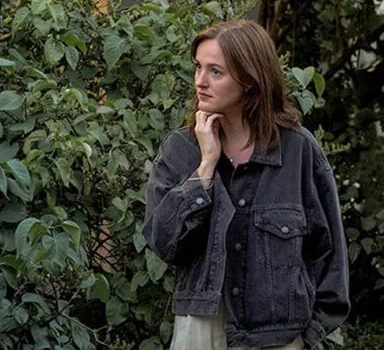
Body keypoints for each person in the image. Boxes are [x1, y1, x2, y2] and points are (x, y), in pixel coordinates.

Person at [142, 20, 349, 349]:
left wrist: (307, 337)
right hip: (200, 332)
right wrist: (206, 167)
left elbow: (329, 253)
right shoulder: (180, 150)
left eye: (215, 72)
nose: (200, 81)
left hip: (279, 337)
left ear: (250, 80)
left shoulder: (297, 151)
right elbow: (163, 243)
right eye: (198, 67)